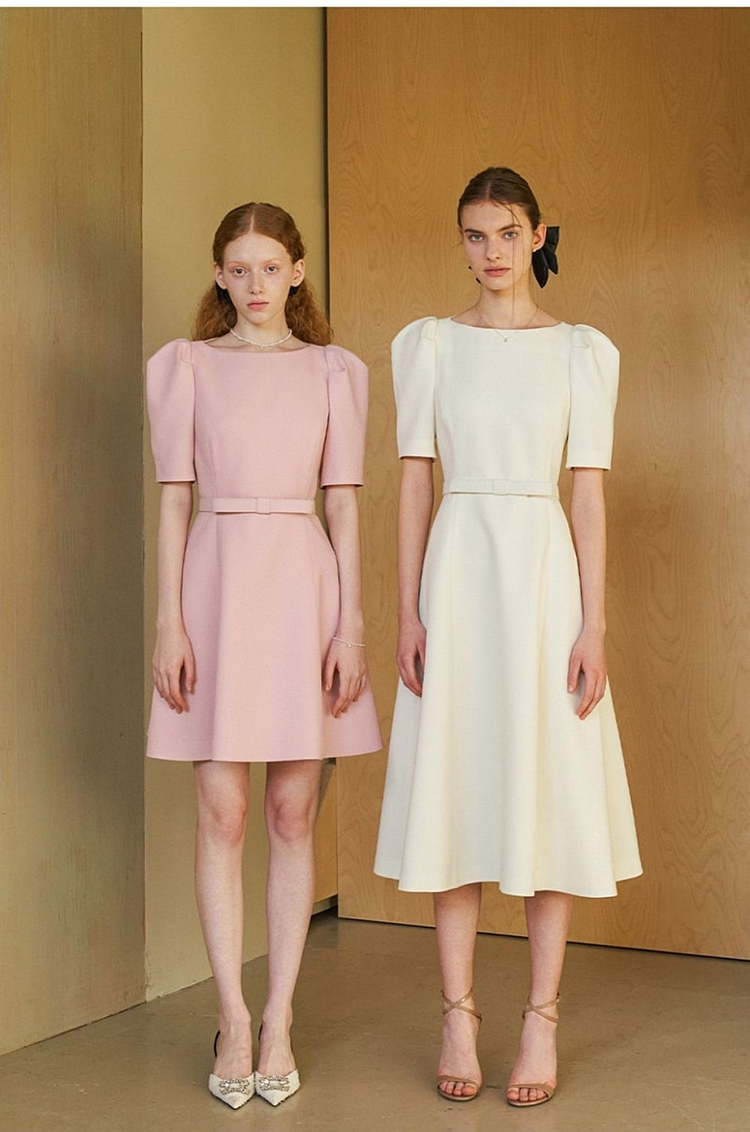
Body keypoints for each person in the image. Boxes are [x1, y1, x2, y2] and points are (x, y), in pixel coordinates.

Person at [374, 167, 641, 1108]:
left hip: (541, 579)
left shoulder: (580, 352)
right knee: (455, 785)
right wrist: (407, 610)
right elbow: (414, 482)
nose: (491, 251)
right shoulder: (429, 346)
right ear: (462, 242)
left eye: (508, 232)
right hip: (457, 575)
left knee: (545, 789)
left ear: (537, 237)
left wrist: (593, 623)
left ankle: (541, 1017)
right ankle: (457, 1013)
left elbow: (588, 496)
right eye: (474, 234)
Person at [146, 202, 382, 1109]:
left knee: (291, 814)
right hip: (215, 585)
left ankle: (279, 1017)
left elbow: (345, 503)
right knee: (222, 809)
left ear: (297, 272)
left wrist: (350, 625)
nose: (254, 285)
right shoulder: (186, 367)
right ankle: (233, 1018)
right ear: (219, 275)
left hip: (301, 587)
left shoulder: (332, 371)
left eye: (270, 267)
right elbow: (175, 499)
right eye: (237, 269)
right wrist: (169, 623)